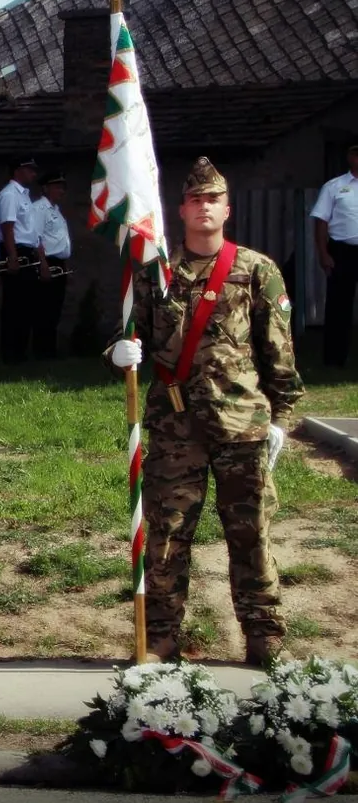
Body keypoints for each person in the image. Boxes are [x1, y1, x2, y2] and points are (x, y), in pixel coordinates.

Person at [109, 157, 304, 667]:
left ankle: (264, 634)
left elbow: (279, 353)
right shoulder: (156, 273)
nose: (204, 208)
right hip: (176, 429)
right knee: (167, 535)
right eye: (195, 200)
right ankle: (161, 636)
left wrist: (280, 420)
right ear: (181, 210)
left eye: (213, 199)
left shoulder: (256, 271)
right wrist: (118, 353)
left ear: (227, 209)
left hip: (242, 426)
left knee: (251, 532)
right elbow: (129, 334)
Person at [310, 143, 358, 367]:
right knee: (339, 305)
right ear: (349, 157)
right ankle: (334, 359)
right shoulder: (334, 186)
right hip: (342, 250)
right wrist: (323, 253)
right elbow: (321, 221)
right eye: (356, 153)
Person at [0, 157, 40, 365]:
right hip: (15, 249)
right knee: (14, 303)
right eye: (29, 170)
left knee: (26, 303)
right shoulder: (9, 195)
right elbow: (8, 227)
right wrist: (12, 256)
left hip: (26, 250)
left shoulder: (24, 195)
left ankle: (21, 351)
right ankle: (11, 352)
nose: (33, 174)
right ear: (18, 170)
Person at [32, 170, 72, 359]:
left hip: (58, 262)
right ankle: (42, 350)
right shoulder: (39, 209)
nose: (61, 191)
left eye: (62, 187)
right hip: (47, 261)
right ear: (45, 188)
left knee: (55, 306)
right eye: (57, 187)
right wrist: (43, 265)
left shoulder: (55, 210)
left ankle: (49, 349)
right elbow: (36, 239)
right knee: (44, 307)